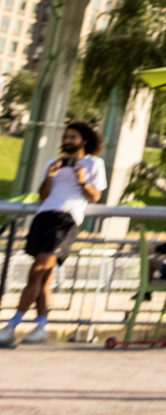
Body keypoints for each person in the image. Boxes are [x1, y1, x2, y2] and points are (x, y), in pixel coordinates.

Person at [0, 120, 103, 347]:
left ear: (83, 140)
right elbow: (43, 196)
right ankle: (40, 327)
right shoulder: (53, 162)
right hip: (43, 216)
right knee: (44, 278)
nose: (67, 141)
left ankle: (10, 327)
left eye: (72, 138)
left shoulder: (94, 163)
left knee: (37, 270)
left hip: (67, 219)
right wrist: (49, 175)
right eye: (65, 137)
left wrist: (82, 179)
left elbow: (95, 197)